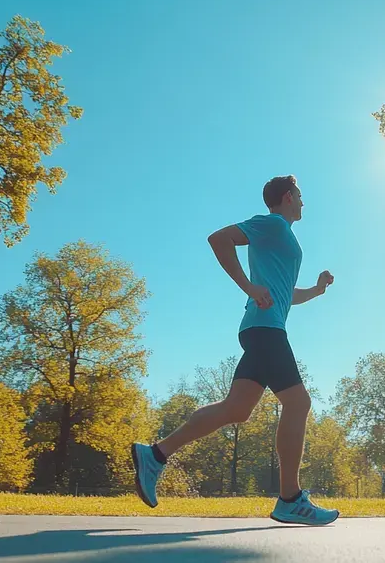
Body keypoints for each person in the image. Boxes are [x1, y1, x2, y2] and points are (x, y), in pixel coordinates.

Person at [131, 175, 339, 525]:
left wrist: (317, 290)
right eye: (301, 196)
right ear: (287, 197)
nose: (304, 202)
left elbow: (286, 294)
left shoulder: (282, 237)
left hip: (262, 327)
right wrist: (248, 285)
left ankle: (155, 454)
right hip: (265, 328)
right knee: (298, 402)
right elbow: (219, 239)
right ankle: (290, 498)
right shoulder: (271, 224)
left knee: (237, 409)